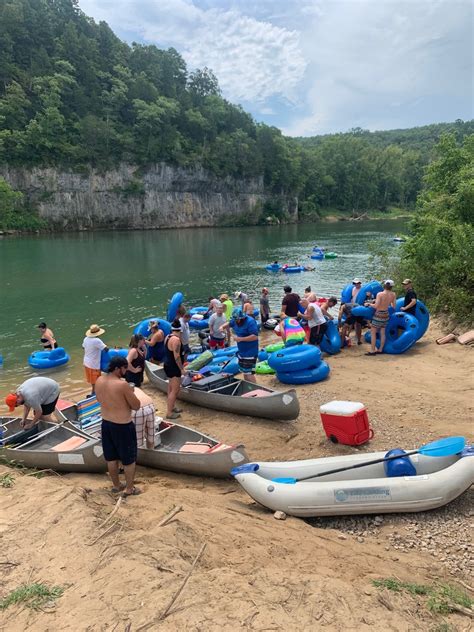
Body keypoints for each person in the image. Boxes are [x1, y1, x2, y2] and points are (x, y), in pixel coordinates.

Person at [95, 356, 141, 496]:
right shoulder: (122, 385)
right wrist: (130, 393)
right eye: (124, 368)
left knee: (111, 457)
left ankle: (116, 485)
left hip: (106, 423)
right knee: (128, 459)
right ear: (117, 368)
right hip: (122, 425)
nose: (126, 370)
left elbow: (98, 399)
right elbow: (136, 405)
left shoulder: (99, 380)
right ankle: (129, 488)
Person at [220, 308, 259, 383]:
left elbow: (255, 336)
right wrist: (222, 327)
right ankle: (248, 386)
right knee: (244, 371)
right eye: (235, 320)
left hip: (251, 351)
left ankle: (256, 389)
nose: (236, 322)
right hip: (241, 351)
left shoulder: (250, 322)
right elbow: (229, 323)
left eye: (238, 320)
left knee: (249, 373)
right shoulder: (235, 320)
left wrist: (241, 339)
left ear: (243, 318)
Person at [366, 280, 396, 356]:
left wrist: (369, 304)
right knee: (382, 332)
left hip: (378, 314)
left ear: (384, 285)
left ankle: (372, 351)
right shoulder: (393, 294)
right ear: (391, 287)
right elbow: (393, 307)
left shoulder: (380, 294)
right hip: (386, 314)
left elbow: (376, 306)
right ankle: (380, 349)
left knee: (373, 332)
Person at [163, 319, 186, 420]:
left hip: (167, 365)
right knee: (175, 390)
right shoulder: (176, 340)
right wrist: (182, 369)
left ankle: (172, 407)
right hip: (173, 367)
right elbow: (177, 357)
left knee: (171, 388)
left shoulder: (167, 337)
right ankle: (169, 413)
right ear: (180, 331)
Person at [83, 324, 108, 395]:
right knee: (96, 382)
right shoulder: (97, 340)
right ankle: (94, 395)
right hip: (93, 364)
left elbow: (83, 347)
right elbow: (106, 349)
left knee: (93, 382)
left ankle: (94, 393)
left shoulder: (86, 339)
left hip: (86, 362)